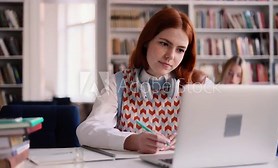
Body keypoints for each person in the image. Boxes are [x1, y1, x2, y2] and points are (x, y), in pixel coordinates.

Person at [76, 7, 213, 154]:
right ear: (147, 42)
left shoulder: (199, 84)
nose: (170, 56)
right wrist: (132, 140)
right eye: (164, 44)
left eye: (180, 50)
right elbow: (87, 131)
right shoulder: (119, 82)